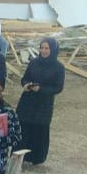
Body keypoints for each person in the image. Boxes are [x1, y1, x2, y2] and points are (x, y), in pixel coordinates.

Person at [16, 38, 65, 166]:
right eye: (42, 48)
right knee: (24, 127)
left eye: (46, 48)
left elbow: (58, 87)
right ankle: (20, 156)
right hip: (28, 100)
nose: (43, 51)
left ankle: (37, 157)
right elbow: (25, 78)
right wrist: (27, 84)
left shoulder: (58, 67)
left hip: (44, 103)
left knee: (40, 129)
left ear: (53, 50)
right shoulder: (34, 62)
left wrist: (41, 89)